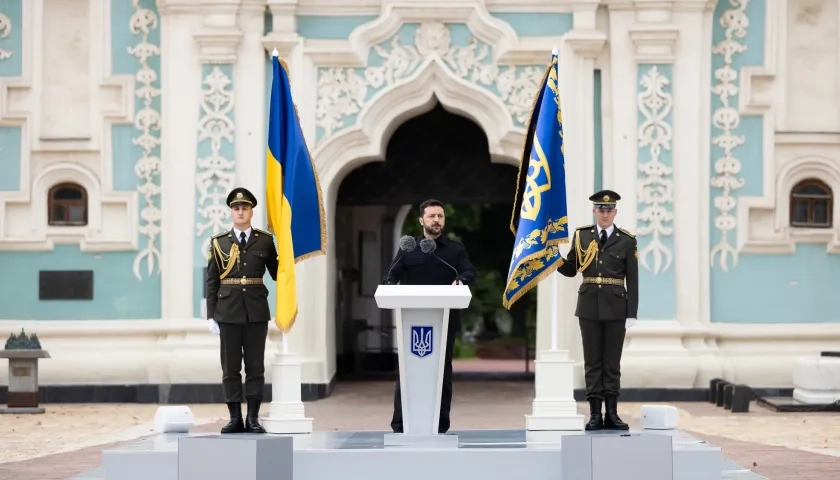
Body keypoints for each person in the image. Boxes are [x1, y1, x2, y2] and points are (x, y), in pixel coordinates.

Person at [382, 198, 477, 434]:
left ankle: (440, 424)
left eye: (440, 216)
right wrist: (390, 284)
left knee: (442, 373)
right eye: (432, 216)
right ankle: (401, 423)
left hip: (444, 322)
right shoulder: (408, 248)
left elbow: (469, 273)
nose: (436, 220)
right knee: (407, 372)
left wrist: (460, 280)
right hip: (411, 322)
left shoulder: (455, 250)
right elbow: (390, 276)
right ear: (421, 220)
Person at [556, 189, 638, 431]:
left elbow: (632, 280)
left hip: (616, 307)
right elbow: (572, 269)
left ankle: (611, 413)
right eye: (601, 210)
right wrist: (553, 258)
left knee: (611, 362)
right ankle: (594, 414)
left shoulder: (627, 240)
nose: (605, 213)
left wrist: (631, 311)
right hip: (589, 306)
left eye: (609, 210)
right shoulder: (581, 236)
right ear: (594, 211)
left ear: (615, 212)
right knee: (592, 362)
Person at [205, 187, 278, 434]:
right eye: (236, 208)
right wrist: (211, 315)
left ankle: (253, 418)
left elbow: (277, 274)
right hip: (227, 312)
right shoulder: (219, 242)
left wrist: (288, 252)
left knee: (256, 366)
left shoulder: (265, 241)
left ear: (251, 211)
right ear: (231, 212)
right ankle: (235, 418)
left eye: (244, 208)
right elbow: (212, 281)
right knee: (231, 368)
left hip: (256, 311)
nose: (240, 212)